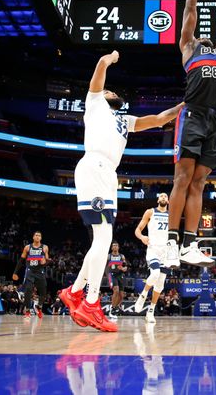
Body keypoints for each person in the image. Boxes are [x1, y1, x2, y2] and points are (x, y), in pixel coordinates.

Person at [57, 50, 183, 332]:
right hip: (96, 164)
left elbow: (159, 119)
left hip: (106, 172)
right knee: (104, 237)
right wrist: (110, 58)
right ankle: (90, 303)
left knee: (101, 239)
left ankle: (75, 292)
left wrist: (185, 104)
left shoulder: (124, 120)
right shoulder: (94, 103)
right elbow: (100, 66)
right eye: (109, 90)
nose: (112, 91)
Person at [166, 0, 216, 269]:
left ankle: (189, 243)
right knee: (182, 178)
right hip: (192, 115)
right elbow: (190, 9)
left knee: (199, 183)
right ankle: (170, 242)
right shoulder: (188, 47)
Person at [134, 193, 171, 323]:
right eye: (161, 196)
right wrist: (142, 237)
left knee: (160, 285)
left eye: (165, 197)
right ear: (157, 200)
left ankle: (150, 311)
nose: (163, 198)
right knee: (155, 274)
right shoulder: (150, 212)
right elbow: (138, 230)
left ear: (168, 201)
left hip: (166, 252)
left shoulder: (172, 215)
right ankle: (143, 295)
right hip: (153, 248)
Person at [12, 231, 50, 319]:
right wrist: (15, 272)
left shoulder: (45, 247)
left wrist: (45, 263)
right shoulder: (27, 247)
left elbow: (48, 260)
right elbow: (21, 261)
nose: (37, 237)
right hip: (30, 271)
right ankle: (28, 311)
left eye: (39, 236)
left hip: (40, 271)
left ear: (41, 238)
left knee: (43, 291)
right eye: (36, 235)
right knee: (28, 290)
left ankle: (39, 307)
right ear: (33, 237)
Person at [106, 242, 128, 319]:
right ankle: (112, 308)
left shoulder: (122, 256)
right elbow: (106, 267)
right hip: (111, 274)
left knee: (121, 295)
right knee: (116, 290)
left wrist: (122, 268)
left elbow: (125, 268)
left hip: (120, 275)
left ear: (118, 247)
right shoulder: (108, 256)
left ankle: (116, 307)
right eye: (113, 246)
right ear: (112, 248)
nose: (115, 247)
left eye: (116, 246)